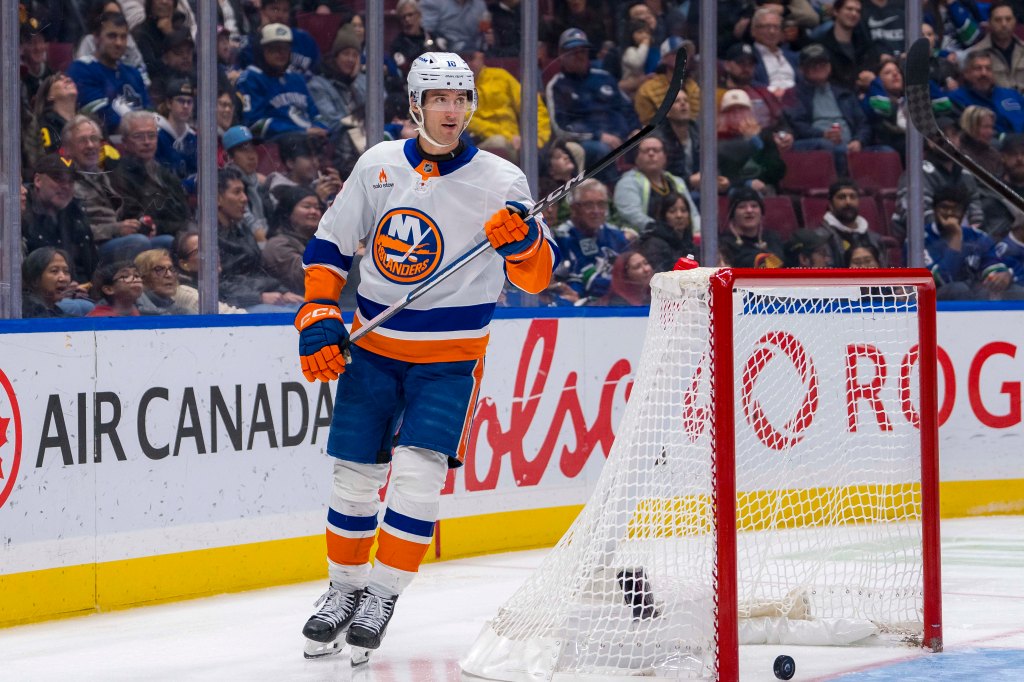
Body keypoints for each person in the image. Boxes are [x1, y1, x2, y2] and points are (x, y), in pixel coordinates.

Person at [295, 51, 556, 660]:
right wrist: (317, 313)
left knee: (416, 477)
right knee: (353, 478)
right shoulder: (379, 165)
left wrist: (521, 244)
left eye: (461, 98)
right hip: (374, 349)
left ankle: (383, 594)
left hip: (449, 359)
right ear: (415, 105)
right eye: (439, 98)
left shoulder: (501, 180)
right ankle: (343, 590)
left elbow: (537, 278)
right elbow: (330, 245)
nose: (452, 110)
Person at [546, 28, 639, 184]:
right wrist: (598, 136)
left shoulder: (605, 77)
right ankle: (612, 195)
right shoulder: (557, 85)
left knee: (651, 144)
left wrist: (636, 129)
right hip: (588, 142)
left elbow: (626, 108)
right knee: (602, 151)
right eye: (573, 51)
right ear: (561, 54)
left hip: (622, 137)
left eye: (582, 50)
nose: (579, 55)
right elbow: (561, 128)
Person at [216, 167, 303, 311]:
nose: (244, 198)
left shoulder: (243, 232)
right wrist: (258, 297)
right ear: (217, 198)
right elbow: (216, 287)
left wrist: (283, 292)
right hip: (237, 306)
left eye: (244, 192)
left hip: (261, 296)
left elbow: (260, 273)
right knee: (290, 318)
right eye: (237, 192)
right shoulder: (203, 239)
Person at [924, 183, 1023, 299]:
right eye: (944, 207)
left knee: (1015, 291)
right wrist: (955, 237)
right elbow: (939, 280)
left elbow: (992, 265)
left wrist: (1003, 275)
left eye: (956, 209)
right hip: (933, 302)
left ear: (964, 212)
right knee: (959, 289)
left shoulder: (978, 237)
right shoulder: (920, 239)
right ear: (934, 209)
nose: (949, 213)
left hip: (972, 298)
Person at [786, 43, 871, 176]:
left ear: (829, 67)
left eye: (823, 64)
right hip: (817, 143)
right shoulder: (795, 94)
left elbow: (863, 123)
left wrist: (859, 141)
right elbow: (797, 124)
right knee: (830, 147)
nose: (819, 68)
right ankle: (843, 187)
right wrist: (822, 134)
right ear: (802, 69)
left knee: (886, 151)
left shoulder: (845, 93)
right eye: (813, 64)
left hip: (849, 143)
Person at [236, 24, 329, 141]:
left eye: (285, 48)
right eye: (275, 48)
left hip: (309, 142)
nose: (281, 53)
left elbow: (316, 114)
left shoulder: (296, 77)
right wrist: (299, 132)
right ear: (262, 50)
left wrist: (320, 129)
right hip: (276, 146)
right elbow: (254, 124)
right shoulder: (251, 78)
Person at [67, 11, 152, 136]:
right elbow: (103, 118)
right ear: (96, 38)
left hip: (140, 141)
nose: (119, 43)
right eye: (112, 36)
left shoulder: (133, 73)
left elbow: (149, 111)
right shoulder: (81, 69)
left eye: (123, 37)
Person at [110, 110, 193, 236]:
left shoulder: (165, 174)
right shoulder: (120, 174)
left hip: (177, 234)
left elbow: (185, 214)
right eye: (138, 136)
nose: (147, 142)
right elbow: (138, 219)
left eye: (151, 135)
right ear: (124, 142)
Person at [23, 153, 99, 288]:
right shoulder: (21, 212)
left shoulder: (76, 212)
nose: (66, 186)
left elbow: (92, 265)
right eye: (58, 179)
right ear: (38, 181)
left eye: (70, 181)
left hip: (81, 292)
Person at [463, 49, 551, 163]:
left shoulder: (501, 76)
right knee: (499, 143)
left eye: (471, 58)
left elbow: (532, 105)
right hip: (478, 143)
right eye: (462, 60)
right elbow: (468, 121)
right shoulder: (457, 89)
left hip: (516, 142)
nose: (467, 64)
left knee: (572, 151)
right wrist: (509, 137)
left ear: (481, 56)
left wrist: (536, 140)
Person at [555, 179, 631, 299]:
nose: (596, 211)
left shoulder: (616, 236)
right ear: (574, 208)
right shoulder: (561, 239)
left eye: (601, 204)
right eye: (589, 205)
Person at [613, 134, 701, 235]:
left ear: (665, 156)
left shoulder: (677, 181)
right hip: (645, 238)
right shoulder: (627, 183)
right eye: (646, 151)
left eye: (656, 150)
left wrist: (698, 231)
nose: (651, 154)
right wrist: (661, 231)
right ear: (636, 158)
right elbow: (633, 215)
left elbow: (693, 214)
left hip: (680, 236)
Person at [716, 89, 787, 194]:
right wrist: (746, 183)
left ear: (750, 112)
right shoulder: (717, 141)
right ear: (723, 116)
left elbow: (778, 171)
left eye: (741, 109)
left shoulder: (765, 136)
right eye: (731, 111)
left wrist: (755, 140)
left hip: (765, 188)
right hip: (731, 190)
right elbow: (720, 176)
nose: (737, 114)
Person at [262, 185, 324, 294]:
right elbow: (306, 279)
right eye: (307, 206)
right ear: (288, 212)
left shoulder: (313, 240)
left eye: (317, 207)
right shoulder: (277, 244)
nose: (314, 211)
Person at [815, 178, 889, 268]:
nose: (848, 202)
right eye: (842, 197)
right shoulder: (820, 239)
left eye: (853, 197)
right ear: (830, 204)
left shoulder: (875, 239)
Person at [171, 231, 247, 314]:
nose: (213, 253)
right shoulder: (187, 293)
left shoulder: (214, 285)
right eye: (201, 251)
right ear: (184, 264)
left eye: (212, 247)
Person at [263, 133, 342, 211]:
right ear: (290, 163)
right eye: (308, 157)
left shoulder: (318, 185)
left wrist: (341, 192)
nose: (315, 162)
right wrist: (317, 199)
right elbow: (286, 220)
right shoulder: (278, 190)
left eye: (316, 157)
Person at [950, 51, 1024, 134]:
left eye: (988, 68)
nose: (984, 73)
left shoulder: (1011, 94)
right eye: (978, 68)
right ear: (966, 73)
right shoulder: (957, 99)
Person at [719, 186, 785, 268]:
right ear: (733, 214)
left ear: (761, 212)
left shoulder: (773, 238)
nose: (749, 211)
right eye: (742, 207)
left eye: (754, 206)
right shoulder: (724, 244)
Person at [223, 125, 269, 242]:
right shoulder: (226, 182)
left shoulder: (259, 181)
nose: (252, 156)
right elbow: (246, 218)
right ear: (229, 157)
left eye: (253, 149)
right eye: (244, 150)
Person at [967, 2, 1024, 94]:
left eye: (1008, 19)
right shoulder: (975, 53)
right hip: (994, 105)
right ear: (989, 23)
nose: (1004, 24)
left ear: (1015, 22)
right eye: (998, 20)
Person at [634, 191, 697, 273]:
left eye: (684, 210)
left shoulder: (689, 243)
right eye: (672, 211)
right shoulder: (654, 244)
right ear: (663, 216)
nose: (679, 215)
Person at [749, 7, 799, 98]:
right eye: (766, 27)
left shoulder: (793, 57)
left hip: (797, 104)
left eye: (776, 27)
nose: (772, 31)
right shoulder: (748, 56)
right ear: (753, 31)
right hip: (767, 102)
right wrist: (770, 91)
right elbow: (745, 81)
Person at [155, 77, 198, 180]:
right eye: (181, 101)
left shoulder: (193, 138)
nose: (186, 106)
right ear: (169, 103)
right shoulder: (157, 135)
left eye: (189, 102)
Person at [862, 58, 906, 154]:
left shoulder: (907, 100)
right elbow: (884, 108)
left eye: (898, 71)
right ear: (879, 80)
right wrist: (874, 82)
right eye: (887, 73)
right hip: (883, 149)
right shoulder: (871, 98)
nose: (895, 74)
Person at [21, 247, 76, 318]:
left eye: (66, 271)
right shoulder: (26, 314)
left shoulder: (57, 312)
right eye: (54, 271)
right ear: (35, 280)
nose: (63, 278)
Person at [134, 248, 191, 315]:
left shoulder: (181, 312)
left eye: (171, 269)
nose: (169, 275)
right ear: (142, 276)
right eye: (159, 269)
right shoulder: (134, 310)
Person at [34, 73, 79, 155]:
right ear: (49, 96)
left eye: (68, 78)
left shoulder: (89, 121)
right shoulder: (45, 125)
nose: (68, 79)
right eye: (59, 80)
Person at [420, 0, 488, 53]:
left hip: (473, 52)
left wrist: (487, 37)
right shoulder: (433, 2)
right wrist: (436, 39)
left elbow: (483, 33)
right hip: (444, 51)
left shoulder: (479, 3)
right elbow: (426, 30)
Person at [958, 105, 1003, 177]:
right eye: (985, 127)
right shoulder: (956, 151)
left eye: (991, 127)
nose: (990, 132)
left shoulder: (994, 155)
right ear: (971, 126)